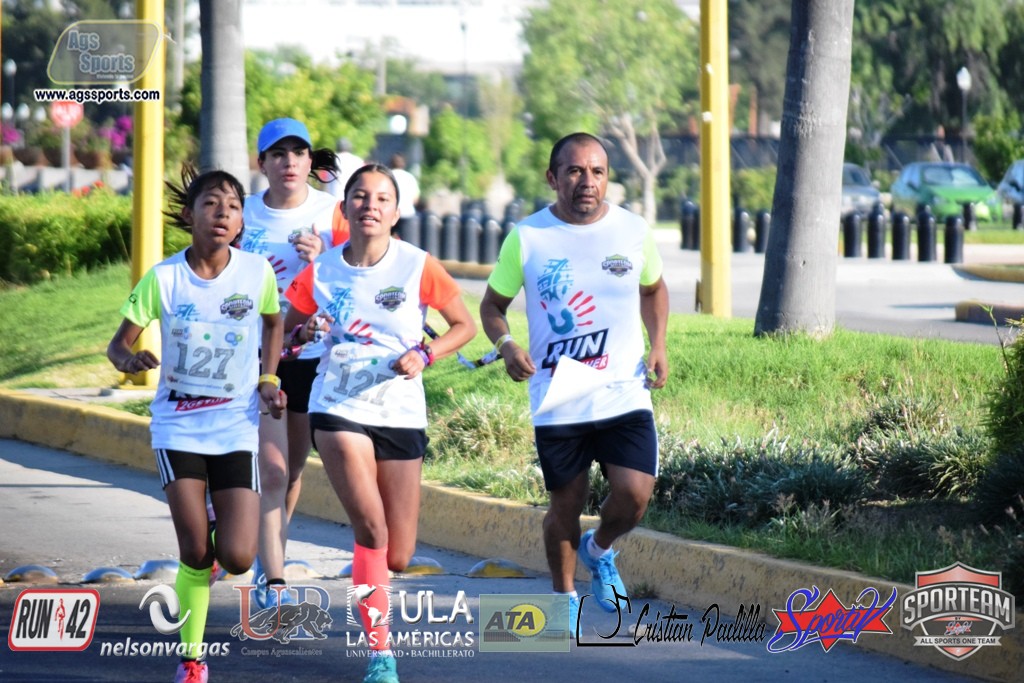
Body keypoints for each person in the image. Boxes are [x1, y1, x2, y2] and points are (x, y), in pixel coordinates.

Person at [283, 164, 476, 683]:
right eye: (360, 197)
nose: (370, 205)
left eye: (382, 198)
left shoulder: (417, 265)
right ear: (344, 208)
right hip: (337, 404)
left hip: (400, 409)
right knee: (371, 527)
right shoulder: (321, 271)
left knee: (400, 553)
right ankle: (381, 653)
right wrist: (304, 332)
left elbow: (465, 325)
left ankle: (375, 589)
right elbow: (287, 334)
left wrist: (426, 353)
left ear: (395, 212)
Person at [478, 132, 669, 632]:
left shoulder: (632, 230)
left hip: (623, 388)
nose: (587, 181)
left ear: (607, 178)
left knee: (634, 496)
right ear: (553, 177)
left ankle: (599, 549)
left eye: (597, 171)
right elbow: (492, 305)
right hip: (559, 395)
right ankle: (563, 602)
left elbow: (653, 289)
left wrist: (659, 344)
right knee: (566, 503)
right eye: (575, 171)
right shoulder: (528, 237)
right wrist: (507, 345)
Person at [107, 166, 285, 683]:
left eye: (233, 206)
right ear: (190, 215)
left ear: (241, 220)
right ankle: (192, 661)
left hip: (234, 426)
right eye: (211, 204)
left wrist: (268, 378)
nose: (223, 214)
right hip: (178, 429)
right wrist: (129, 360)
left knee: (237, 557)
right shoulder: (164, 278)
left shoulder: (256, 273)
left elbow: (274, 321)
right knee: (195, 552)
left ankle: (216, 523)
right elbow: (118, 343)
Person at [241, 118, 342, 609]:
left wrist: (324, 255)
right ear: (262, 162)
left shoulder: (331, 212)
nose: (289, 163)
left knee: (294, 467)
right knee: (273, 470)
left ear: (309, 160)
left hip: (310, 353)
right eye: (278, 154)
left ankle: (268, 555)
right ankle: (270, 572)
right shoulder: (243, 213)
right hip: (256, 353)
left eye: (298, 153)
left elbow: (354, 272)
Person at [389, 153, 420, 238]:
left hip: (391, 213)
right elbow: (415, 199)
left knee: (388, 241)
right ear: (404, 164)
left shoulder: (388, 176)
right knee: (407, 241)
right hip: (408, 213)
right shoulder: (410, 177)